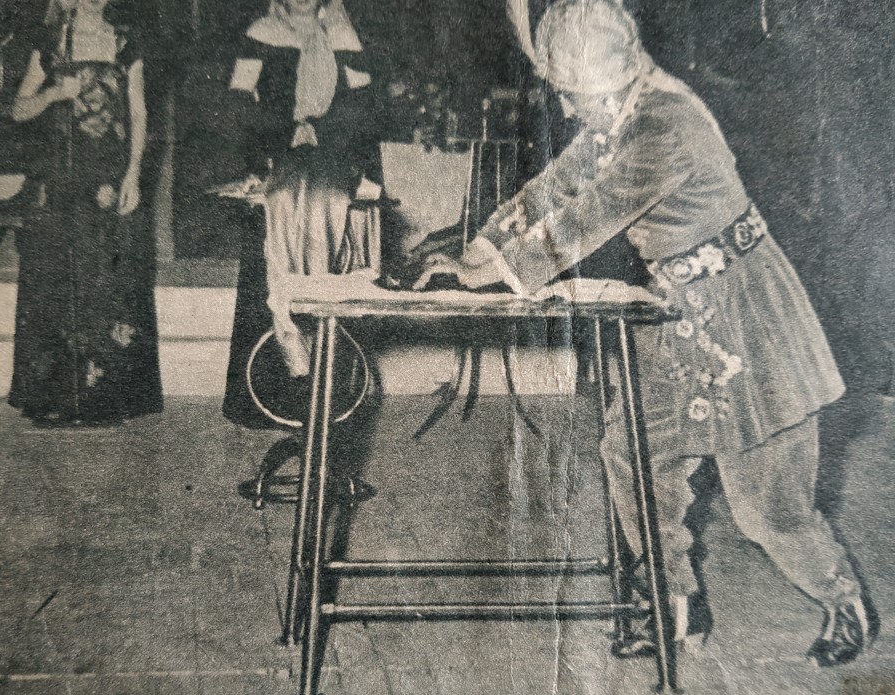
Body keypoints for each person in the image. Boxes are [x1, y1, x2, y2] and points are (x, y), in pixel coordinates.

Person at [416, 0, 877, 667]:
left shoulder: (665, 124)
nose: (567, 109)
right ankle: (673, 603)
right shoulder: (621, 111)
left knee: (766, 506)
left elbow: (585, 219)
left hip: (751, 323)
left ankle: (841, 598)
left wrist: (483, 275)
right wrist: (478, 249)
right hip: (683, 318)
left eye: (573, 96)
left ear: (610, 83)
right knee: (632, 451)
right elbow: (556, 188)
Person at [222, 0, 382, 428]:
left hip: (334, 161)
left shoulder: (343, 33)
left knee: (330, 221)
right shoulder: (261, 32)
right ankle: (276, 388)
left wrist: (321, 132)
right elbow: (238, 103)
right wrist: (286, 131)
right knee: (277, 218)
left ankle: (331, 391)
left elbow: (365, 105)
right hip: (277, 158)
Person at [8, 0, 162, 427]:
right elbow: (18, 109)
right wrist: (54, 93)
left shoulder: (126, 43)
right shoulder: (50, 44)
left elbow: (139, 113)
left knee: (107, 281)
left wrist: (133, 174)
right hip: (58, 180)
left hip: (107, 180)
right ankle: (56, 398)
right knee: (57, 283)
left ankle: (105, 399)